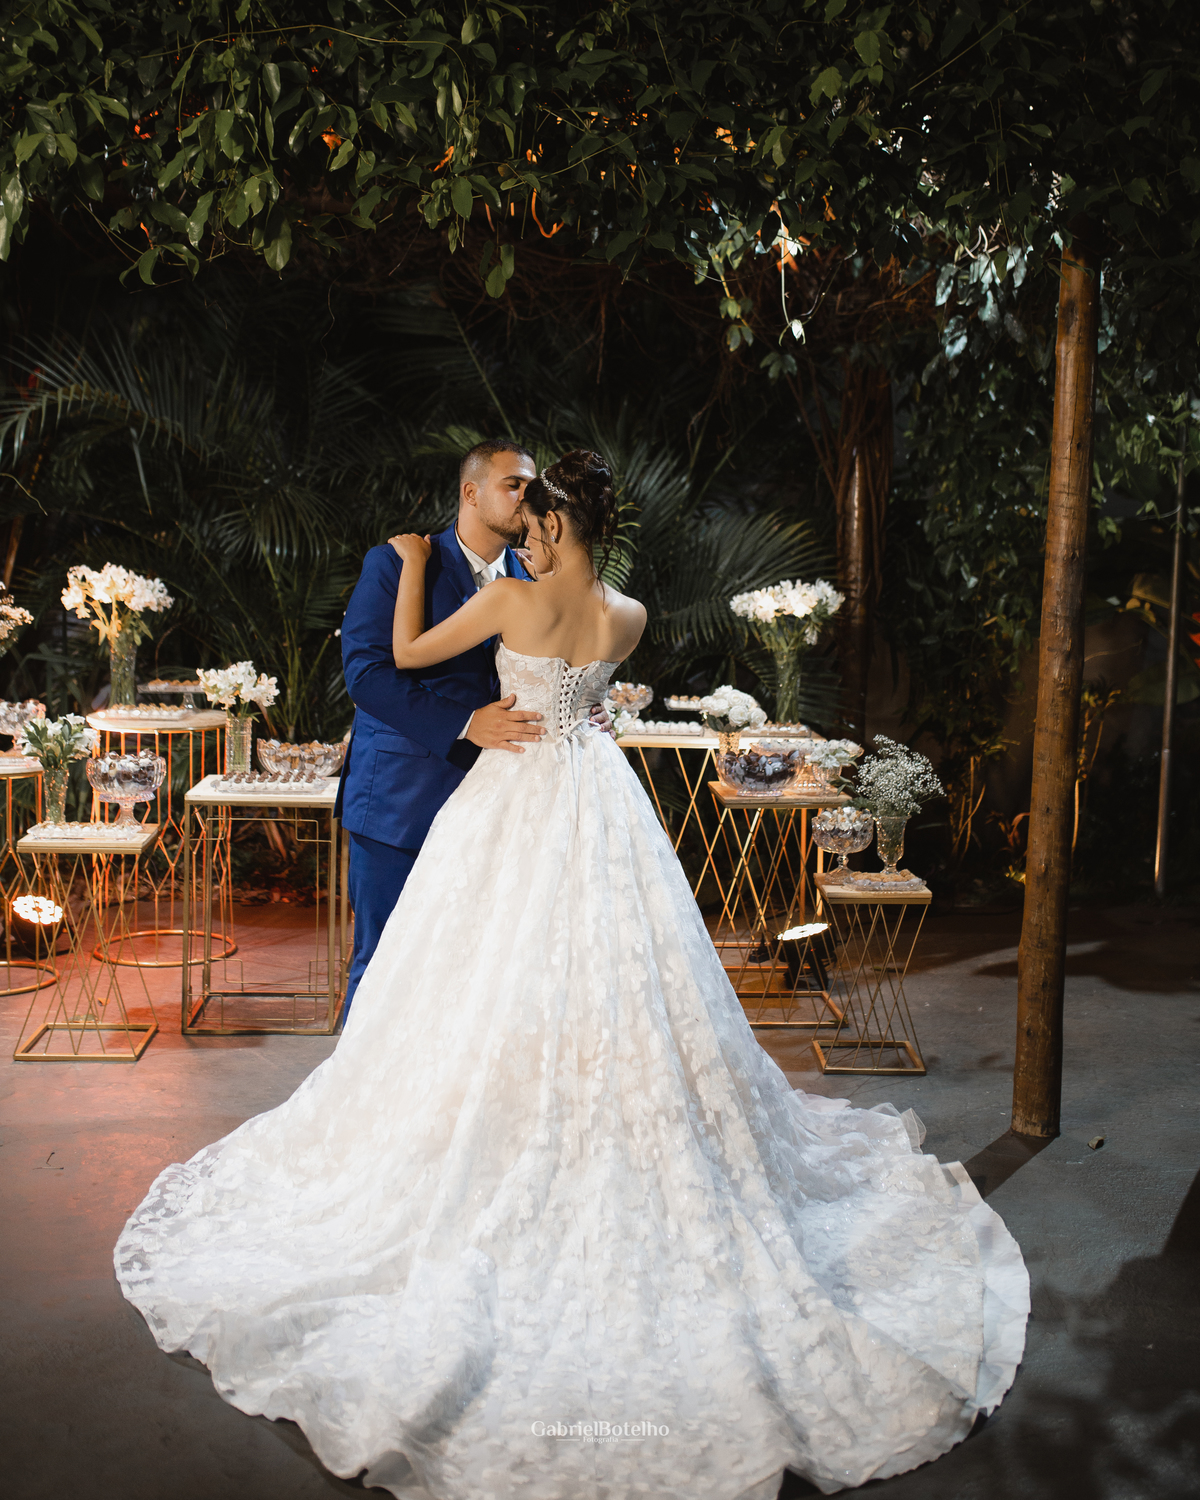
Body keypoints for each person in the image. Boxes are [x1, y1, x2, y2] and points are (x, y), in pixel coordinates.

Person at [116, 449, 1029, 1500]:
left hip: (512, 795)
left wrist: (412, 569)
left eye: (534, 514)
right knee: (610, 966)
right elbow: (563, 695)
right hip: (597, 793)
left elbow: (406, 651)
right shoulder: (628, 615)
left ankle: (457, 1128)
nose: (524, 526)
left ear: (552, 525)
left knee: (477, 966)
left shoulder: (512, 599)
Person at [337, 437, 597, 1013]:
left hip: (497, 805)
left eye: (532, 485)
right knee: (384, 963)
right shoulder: (398, 563)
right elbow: (367, 676)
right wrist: (463, 722)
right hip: (403, 799)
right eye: (513, 484)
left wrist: (580, 704)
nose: (526, 495)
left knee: (471, 971)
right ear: (471, 493)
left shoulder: (533, 576)